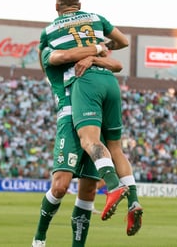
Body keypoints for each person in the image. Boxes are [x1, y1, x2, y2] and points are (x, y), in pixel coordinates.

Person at [40, 0, 143, 236]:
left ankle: (113, 186)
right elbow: (124, 42)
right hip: (109, 79)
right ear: (79, 3)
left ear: (56, 7)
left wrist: (93, 52)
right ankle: (134, 200)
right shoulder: (96, 19)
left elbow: (65, 56)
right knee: (115, 147)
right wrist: (99, 49)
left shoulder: (50, 31)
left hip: (84, 84)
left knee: (90, 140)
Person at [32, 44, 123, 247]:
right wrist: (95, 48)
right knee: (59, 187)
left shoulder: (92, 66)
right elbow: (47, 54)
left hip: (93, 124)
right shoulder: (57, 63)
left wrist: (96, 55)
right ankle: (39, 237)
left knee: (88, 192)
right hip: (69, 124)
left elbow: (117, 62)